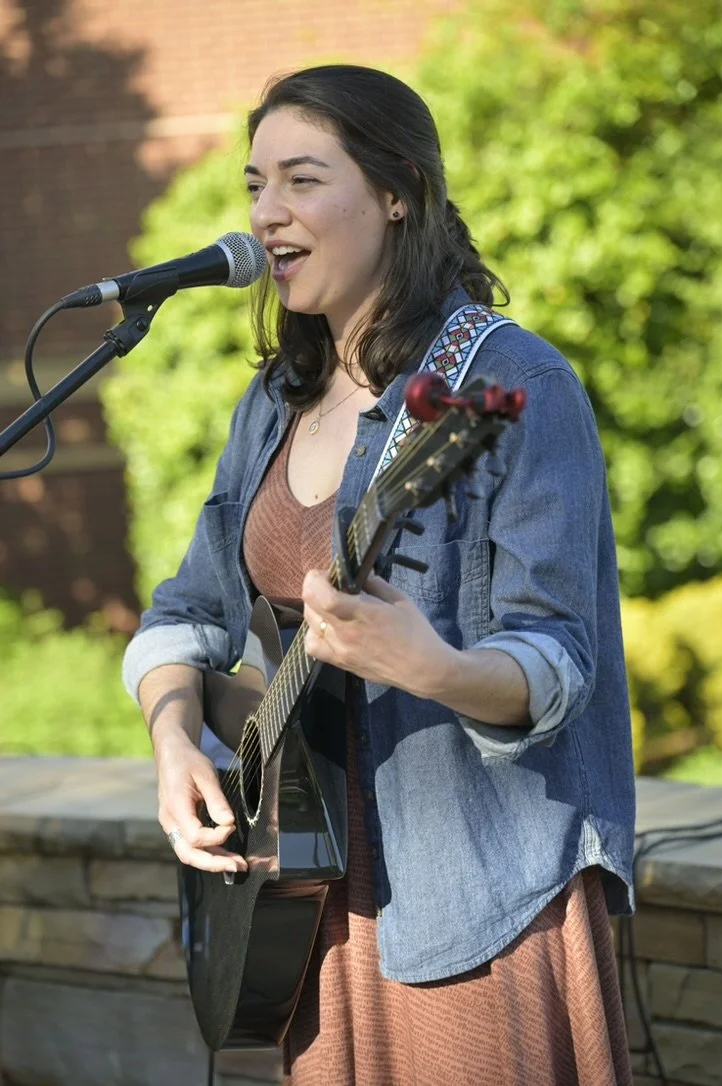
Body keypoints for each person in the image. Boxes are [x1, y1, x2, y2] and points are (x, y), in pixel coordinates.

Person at [122, 64, 636, 1085]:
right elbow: (189, 607)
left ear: (398, 191)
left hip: (472, 906)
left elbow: (557, 658)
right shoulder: (273, 402)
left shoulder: (509, 383)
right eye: (254, 186)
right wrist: (175, 731)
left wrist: (433, 666)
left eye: (302, 180)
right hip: (309, 903)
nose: (268, 213)